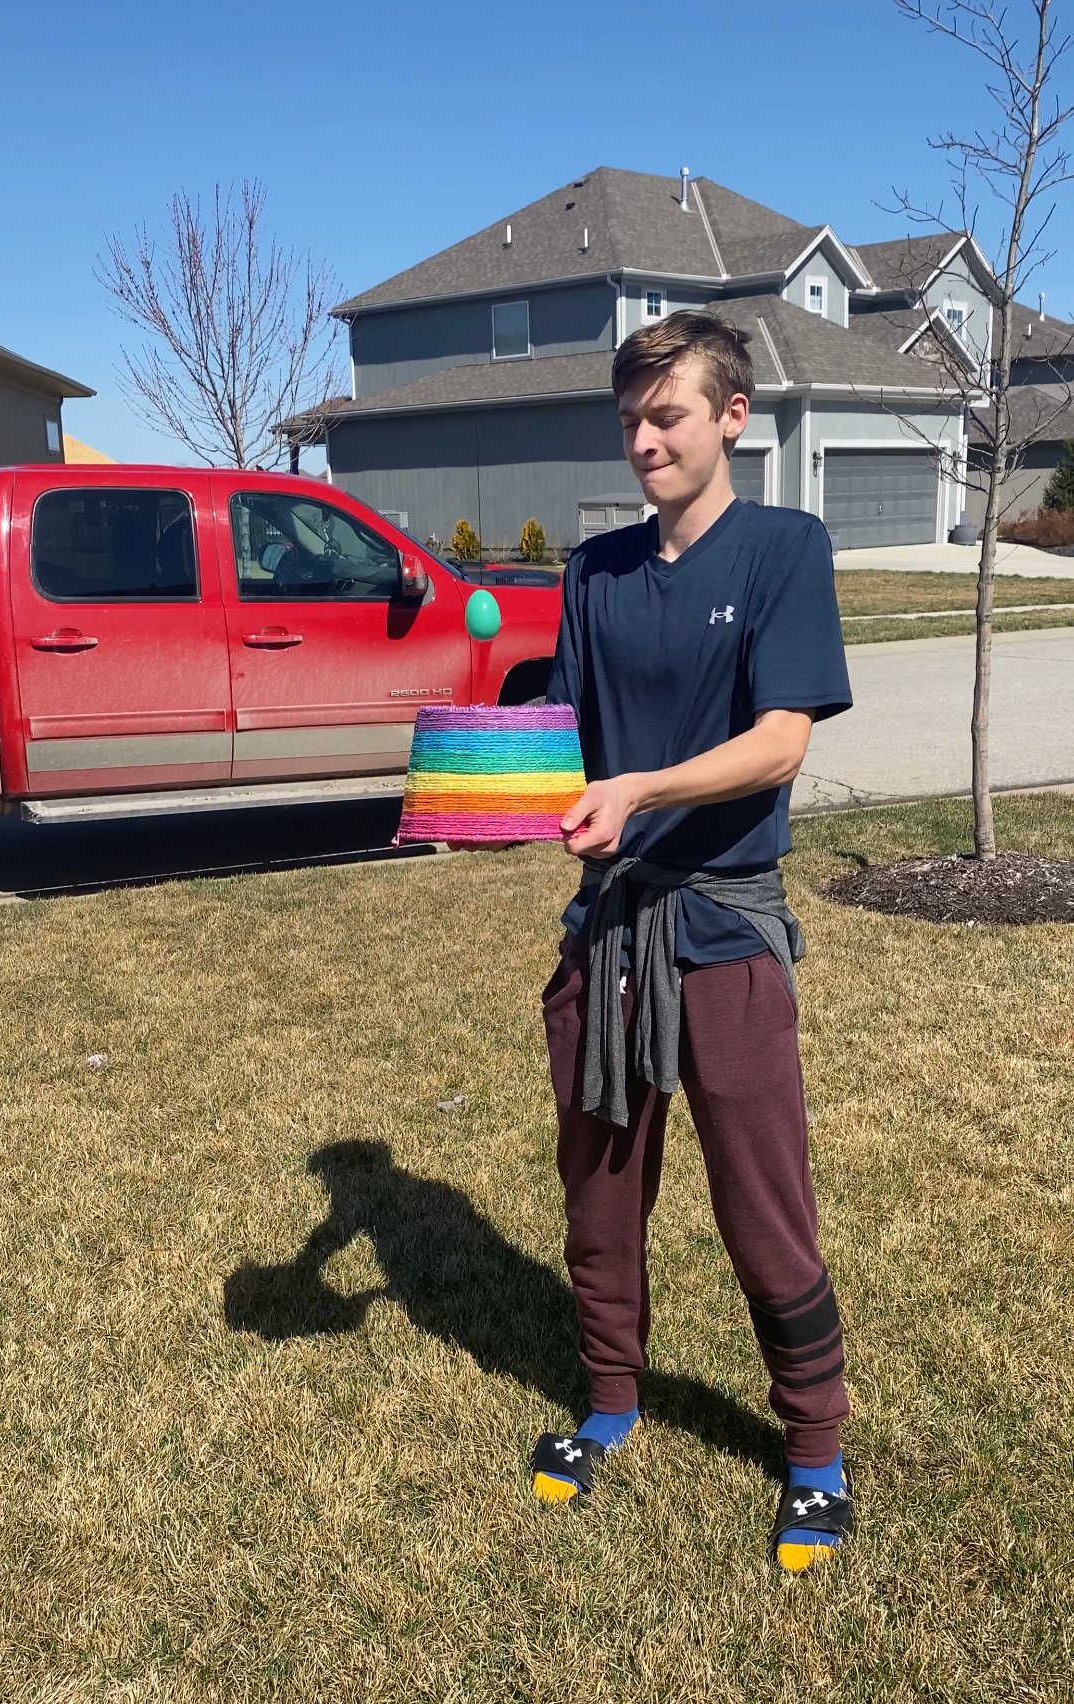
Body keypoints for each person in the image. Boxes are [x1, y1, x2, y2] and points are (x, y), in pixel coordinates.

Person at [531, 310, 854, 1573]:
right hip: (605, 934)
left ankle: (816, 1454)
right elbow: (565, 736)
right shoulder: (595, 569)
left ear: (734, 418)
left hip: (724, 925)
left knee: (762, 1204)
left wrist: (641, 790)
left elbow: (781, 742)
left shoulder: (786, 547)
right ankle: (612, 1403)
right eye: (630, 419)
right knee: (600, 1191)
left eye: (667, 416)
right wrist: (479, 788)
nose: (644, 440)